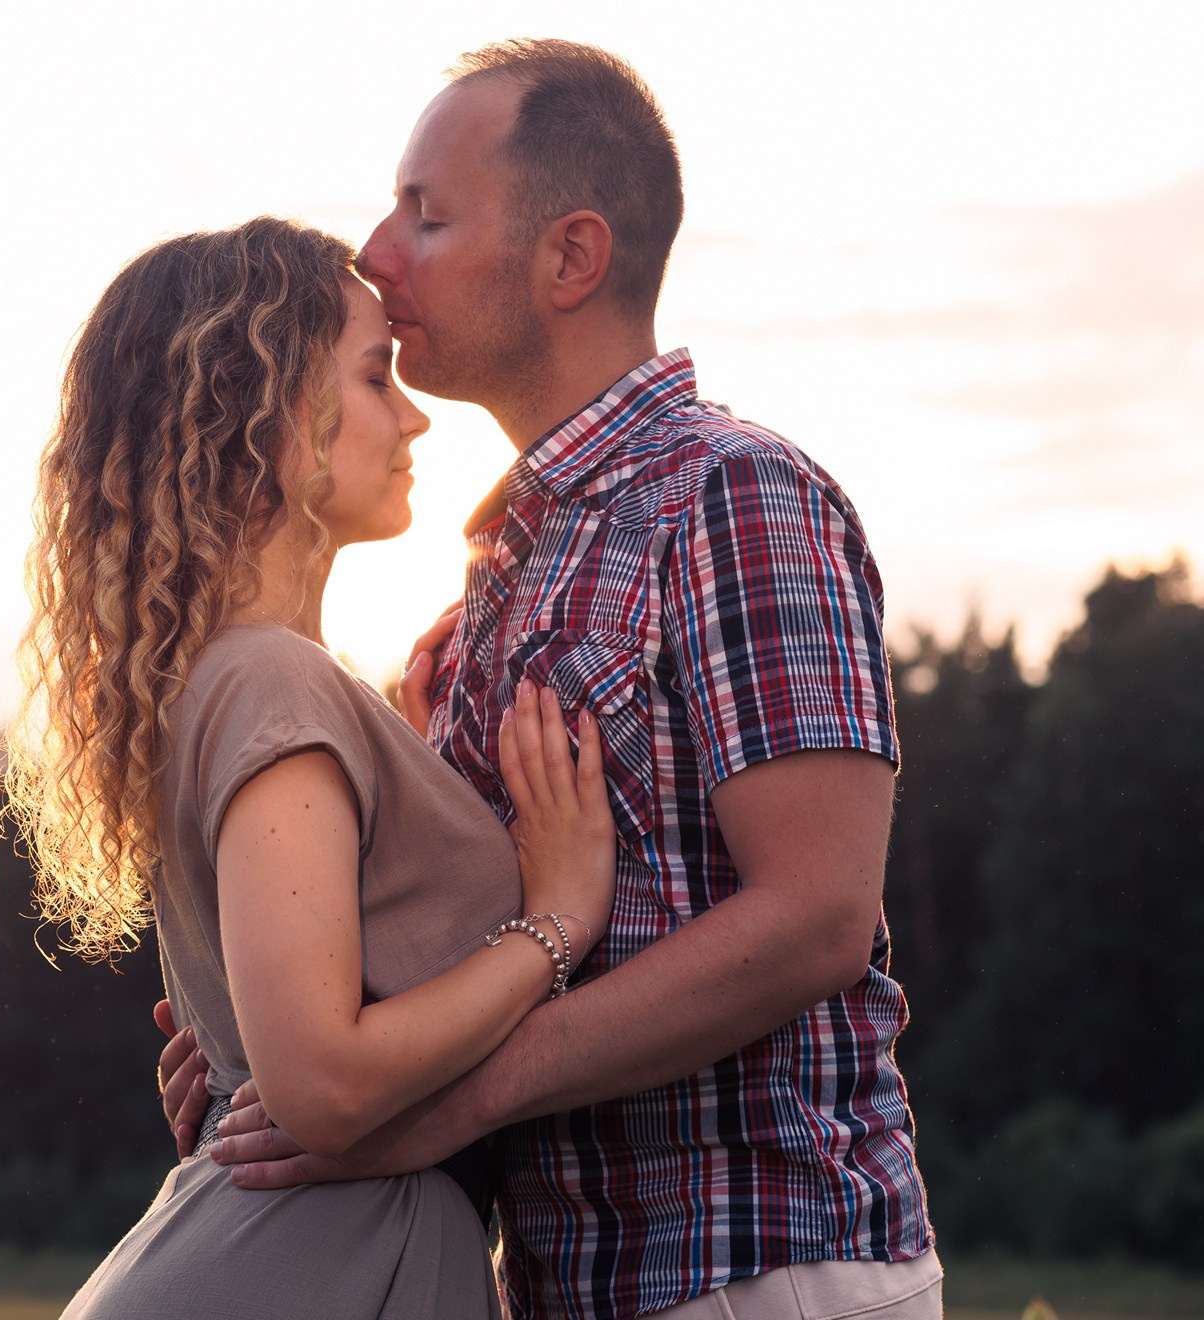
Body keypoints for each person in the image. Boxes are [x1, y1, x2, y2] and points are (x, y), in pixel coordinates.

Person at [160, 40, 941, 1320]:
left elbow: (816, 918)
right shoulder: (486, 594)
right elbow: (461, 942)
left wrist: (450, 1104)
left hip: (763, 1273)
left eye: (428, 211)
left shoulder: (733, 497)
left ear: (571, 258)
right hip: (565, 1285)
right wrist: (268, 1044)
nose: (378, 249)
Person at [3, 216, 622, 1318]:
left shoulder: (245, 683)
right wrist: (558, 920)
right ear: (268, 412)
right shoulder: (270, 684)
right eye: (376, 376)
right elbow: (323, 1084)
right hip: (312, 1258)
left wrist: (418, 766)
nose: (415, 415)